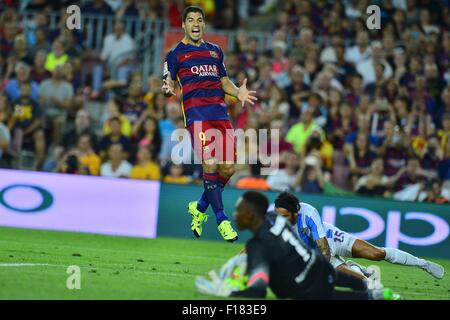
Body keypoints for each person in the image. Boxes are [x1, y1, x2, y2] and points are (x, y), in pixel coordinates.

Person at [161, 6, 257, 242]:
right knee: (210, 162)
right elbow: (168, 83)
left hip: (220, 116)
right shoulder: (175, 55)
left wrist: (238, 93)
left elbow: (224, 82)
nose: (195, 23)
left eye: (199, 20)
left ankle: (200, 207)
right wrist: (167, 88)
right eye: (191, 20)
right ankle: (222, 219)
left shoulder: (215, 52)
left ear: (204, 24)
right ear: (183, 24)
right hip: (197, 116)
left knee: (228, 169)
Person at [196, 191, 399, 300]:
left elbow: (257, 289)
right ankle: (376, 290)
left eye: (239, 213)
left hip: (307, 284)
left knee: (335, 296)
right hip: (318, 266)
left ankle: (378, 295)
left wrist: (232, 292)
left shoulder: (265, 236)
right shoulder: (278, 224)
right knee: (344, 281)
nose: (236, 218)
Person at [272, 191, 445, 280]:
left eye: (285, 216)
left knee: (377, 254)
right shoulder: (275, 221)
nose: (282, 220)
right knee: (364, 282)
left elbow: (323, 246)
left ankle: (423, 264)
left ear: (295, 212)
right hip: (313, 255)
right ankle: (356, 270)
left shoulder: (308, 213)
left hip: (329, 240)